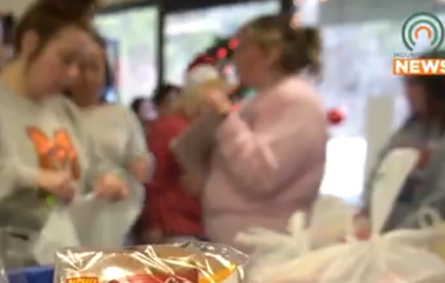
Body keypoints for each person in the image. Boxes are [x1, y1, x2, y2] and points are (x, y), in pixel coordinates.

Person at [0, 0, 128, 252]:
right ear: (30, 42)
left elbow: (90, 167)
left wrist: (104, 180)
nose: (73, 75)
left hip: (56, 261)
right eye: (66, 60)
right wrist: (29, 179)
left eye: (79, 64)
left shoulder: (62, 109)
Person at [173, 14, 328, 248]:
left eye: (243, 48)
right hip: (239, 239)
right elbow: (194, 151)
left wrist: (225, 117)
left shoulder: (296, 100)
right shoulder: (259, 99)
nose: (235, 59)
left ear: (271, 54)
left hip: (265, 242)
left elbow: (263, 175)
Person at [358, 50, 445, 233]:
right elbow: (379, 176)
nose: (407, 92)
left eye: (414, 84)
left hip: (431, 240)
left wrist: (395, 236)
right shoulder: (411, 130)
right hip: (385, 237)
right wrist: (365, 217)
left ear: (438, 87)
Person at [139, 58, 223, 243]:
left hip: (199, 225)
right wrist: (153, 223)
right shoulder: (170, 128)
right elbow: (153, 180)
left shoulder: (201, 126)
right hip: (175, 225)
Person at [67, 31, 153, 184]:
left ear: (105, 74)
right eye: (81, 68)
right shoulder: (56, 114)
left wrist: (140, 167)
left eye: (94, 68)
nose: (87, 77)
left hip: (119, 197)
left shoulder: (122, 116)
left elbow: (141, 162)